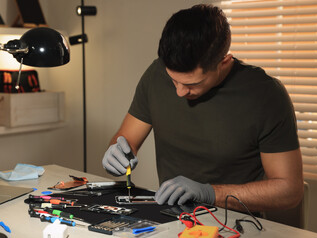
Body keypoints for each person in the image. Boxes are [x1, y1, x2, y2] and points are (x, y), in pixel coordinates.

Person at [102, 4, 303, 212]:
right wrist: (117, 151)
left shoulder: (266, 95)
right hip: (171, 218)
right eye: (173, 80)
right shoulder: (156, 75)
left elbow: (289, 190)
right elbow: (126, 139)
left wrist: (210, 193)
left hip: (235, 225)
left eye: (192, 84)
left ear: (224, 62)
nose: (180, 92)